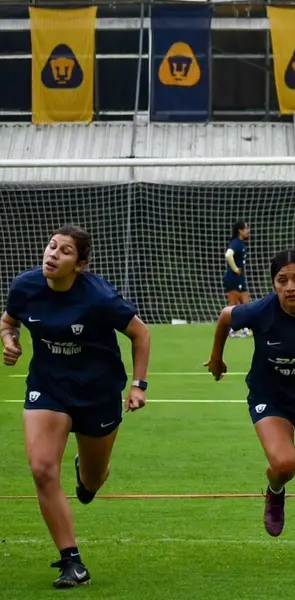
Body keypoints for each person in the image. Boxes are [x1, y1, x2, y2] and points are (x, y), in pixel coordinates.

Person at [1, 225, 151, 588]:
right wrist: (10, 340)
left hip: (97, 394)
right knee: (41, 469)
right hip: (48, 389)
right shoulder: (25, 286)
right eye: (51, 246)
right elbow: (8, 322)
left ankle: (88, 472)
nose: (52, 254)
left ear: (80, 264)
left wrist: (138, 386)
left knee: (92, 482)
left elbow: (140, 333)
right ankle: (73, 561)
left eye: (64, 251)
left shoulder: (99, 297)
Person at [205, 249, 295, 562]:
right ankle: (275, 491)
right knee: (284, 464)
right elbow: (225, 316)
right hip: (269, 398)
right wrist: (218, 358)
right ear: (273, 284)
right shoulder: (261, 310)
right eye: (282, 280)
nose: (290, 287)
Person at [224, 221, 252, 338]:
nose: (248, 230)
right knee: (233, 305)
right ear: (240, 231)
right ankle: (231, 330)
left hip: (240, 278)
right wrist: (235, 269)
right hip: (233, 277)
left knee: (246, 304)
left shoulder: (241, 243)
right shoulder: (236, 243)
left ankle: (246, 328)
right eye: (246, 228)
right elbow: (228, 255)